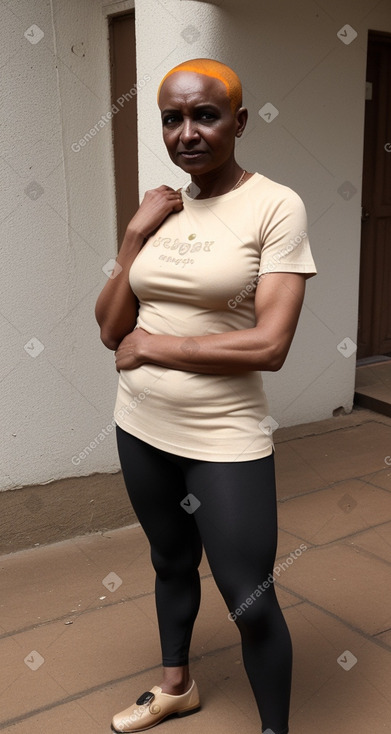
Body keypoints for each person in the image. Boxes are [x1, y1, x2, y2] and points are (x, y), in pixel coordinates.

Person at [95, 58, 316, 734]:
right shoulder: (161, 208)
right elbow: (110, 329)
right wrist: (134, 236)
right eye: (172, 118)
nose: (187, 132)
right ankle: (176, 686)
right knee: (169, 561)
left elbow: (269, 345)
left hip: (223, 437)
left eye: (204, 115)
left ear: (238, 121)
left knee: (248, 601)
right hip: (139, 423)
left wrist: (157, 346)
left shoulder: (274, 206)